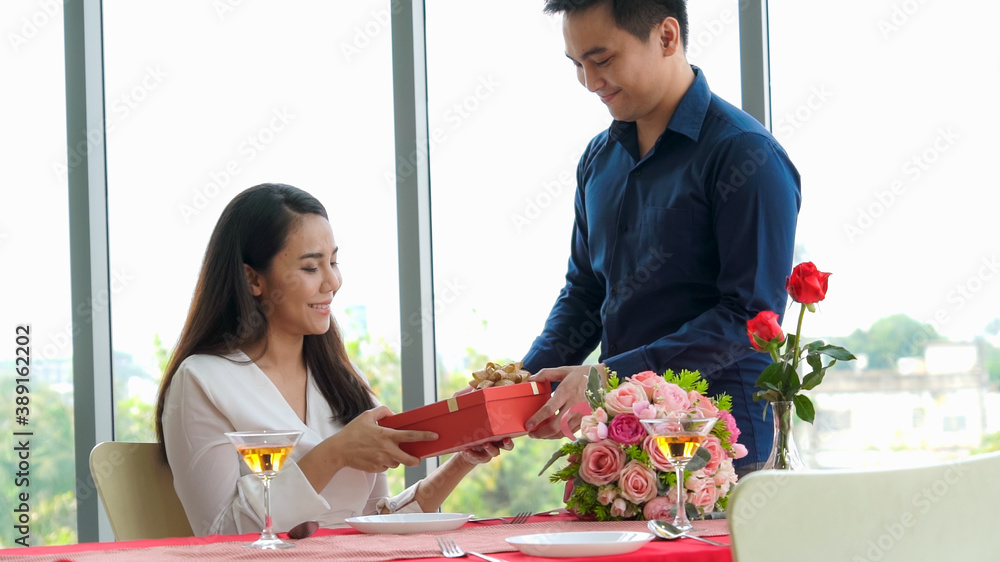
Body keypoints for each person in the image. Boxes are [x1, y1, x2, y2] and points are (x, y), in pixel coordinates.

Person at [521, 0, 801, 477]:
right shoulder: (598, 159)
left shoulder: (745, 156)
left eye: (602, 59)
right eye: (577, 65)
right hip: (619, 445)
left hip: (719, 450)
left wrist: (610, 375)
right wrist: (518, 388)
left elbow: (751, 318)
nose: (589, 82)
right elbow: (586, 294)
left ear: (667, 37)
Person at [155, 183, 510, 535]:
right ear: (253, 279)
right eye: (311, 268)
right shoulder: (202, 381)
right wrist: (335, 453)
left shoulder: (340, 378)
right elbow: (221, 536)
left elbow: (374, 523)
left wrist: (461, 456)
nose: (333, 281)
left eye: (334, 262)